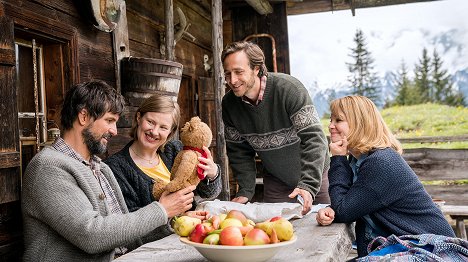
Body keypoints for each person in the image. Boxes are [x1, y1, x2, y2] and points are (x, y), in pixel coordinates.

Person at [22, 80, 200, 261]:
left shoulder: (100, 168)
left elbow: (124, 234)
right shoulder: (48, 168)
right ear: (84, 116)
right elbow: (91, 235)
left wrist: (174, 222)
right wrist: (161, 210)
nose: (114, 131)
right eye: (109, 121)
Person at [315, 95, 455, 257]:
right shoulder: (359, 160)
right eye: (331, 120)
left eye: (338, 120)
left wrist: (338, 159)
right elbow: (348, 204)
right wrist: (329, 210)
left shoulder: (380, 163)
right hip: (406, 247)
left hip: (432, 250)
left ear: (360, 123)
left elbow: (343, 211)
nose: (331, 126)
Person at [221, 41, 330, 215]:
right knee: (275, 230)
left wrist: (309, 185)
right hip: (276, 179)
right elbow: (238, 151)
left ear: (256, 68)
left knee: (325, 228)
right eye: (228, 74)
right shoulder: (229, 105)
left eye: (239, 72)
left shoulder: (289, 90)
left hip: (315, 175)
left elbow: (314, 139)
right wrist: (246, 191)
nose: (232, 80)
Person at [105, 94, 221, 213]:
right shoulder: (114, 168)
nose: (154, 132)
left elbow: (208, 193)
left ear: (171, 131)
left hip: (194, 228)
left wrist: (212, 174)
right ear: (139, 118)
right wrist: (173, 218)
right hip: (171, 230)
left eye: (163, 127)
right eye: (150, 122)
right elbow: (128, 220)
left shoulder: (177, 150)